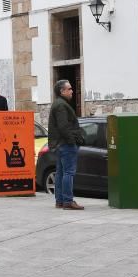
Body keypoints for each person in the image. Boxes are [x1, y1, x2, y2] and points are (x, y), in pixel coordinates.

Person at [47, 79, 84, 210]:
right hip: (65, 144)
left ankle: (60, 201)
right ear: (62, 91)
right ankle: (68, 201)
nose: (72, 91)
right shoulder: (61, 105)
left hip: (60, 144)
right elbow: (63, 127)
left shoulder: (58, 104)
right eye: (69, 89)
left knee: (61, 173)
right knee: (68, 172)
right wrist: (72, 141)